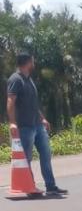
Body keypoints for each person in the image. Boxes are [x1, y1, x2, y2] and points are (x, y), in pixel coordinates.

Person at [5, 51, 67, 197]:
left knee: (46, 154)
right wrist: (13, 123)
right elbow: (10, 101)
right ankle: (30, 188)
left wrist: (42, 118)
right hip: (25, 126)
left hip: (37, 125)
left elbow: (33, 103)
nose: (34, 63)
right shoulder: (16, 79)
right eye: (32, 61)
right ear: (27, 62)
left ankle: (50, 186)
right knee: (27, 158)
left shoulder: (28, 79)